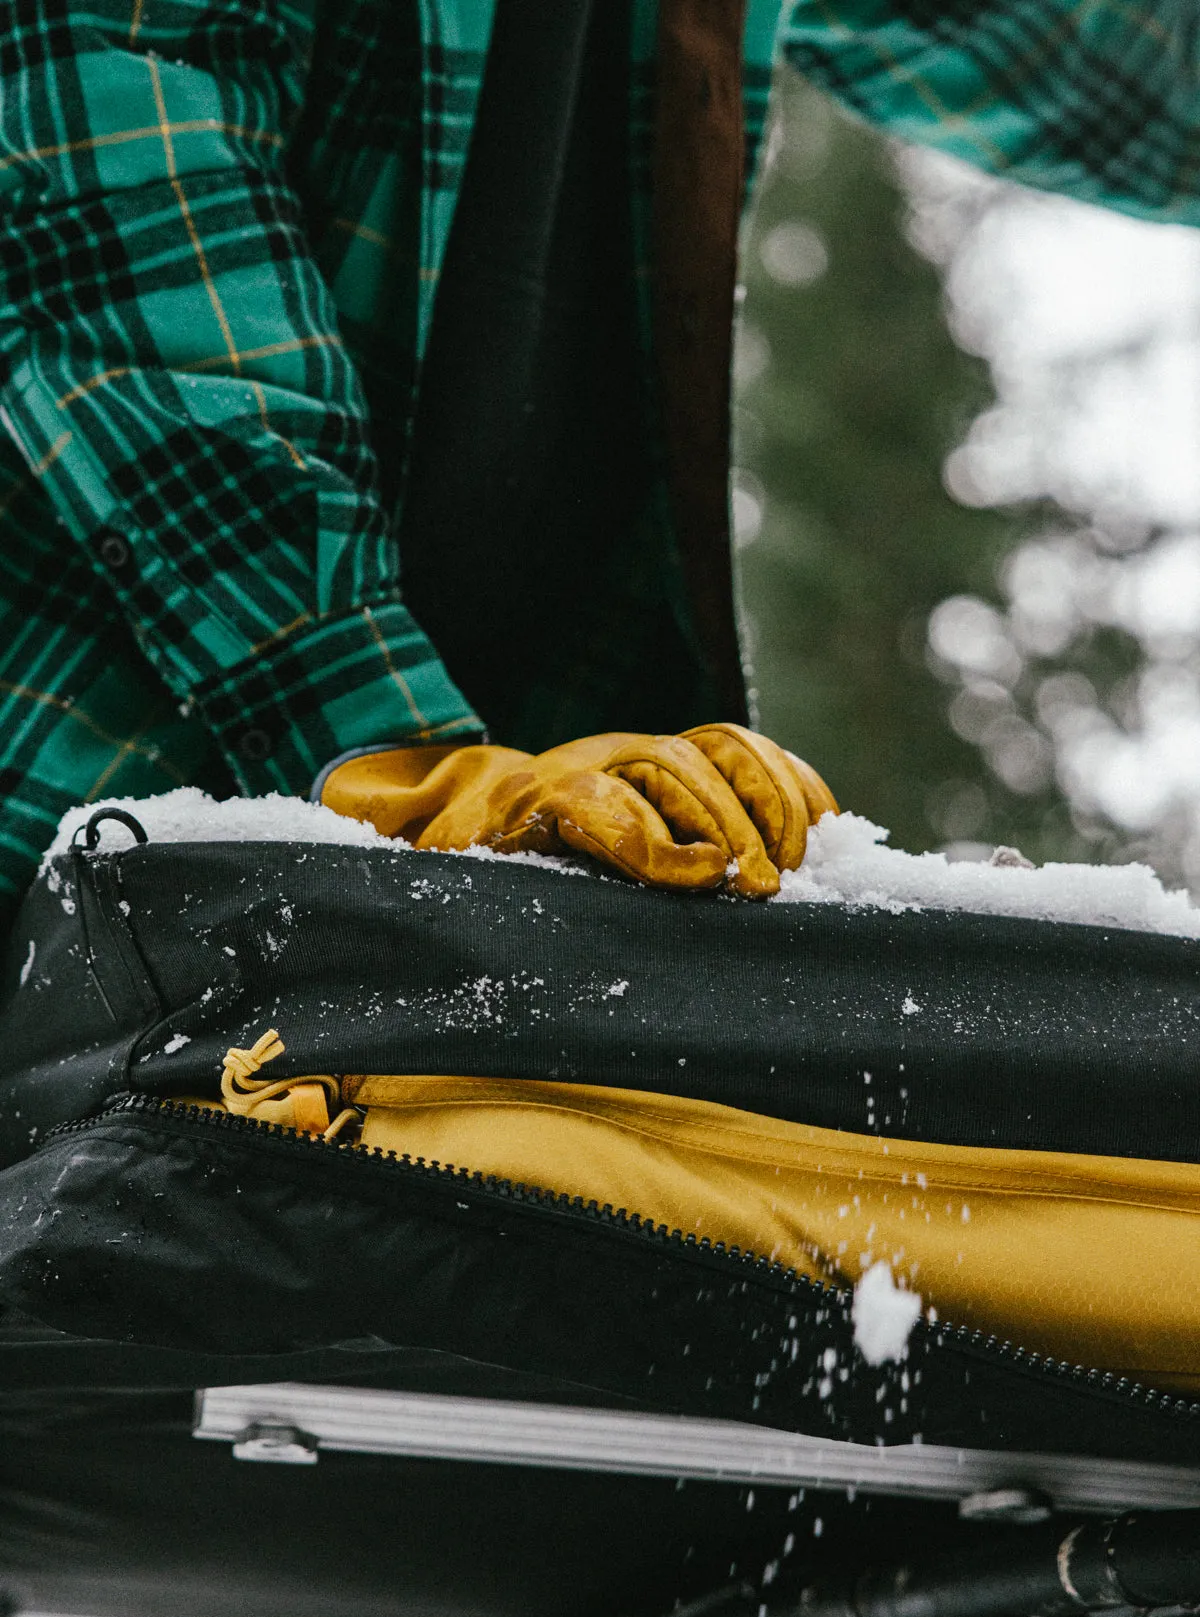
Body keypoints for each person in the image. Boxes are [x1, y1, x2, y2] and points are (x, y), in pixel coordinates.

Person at [0, 0, 1194, 927]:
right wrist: (385, 746)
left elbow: (1117, 63)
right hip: (94, 840)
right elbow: (106, 194)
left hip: (498, 906)